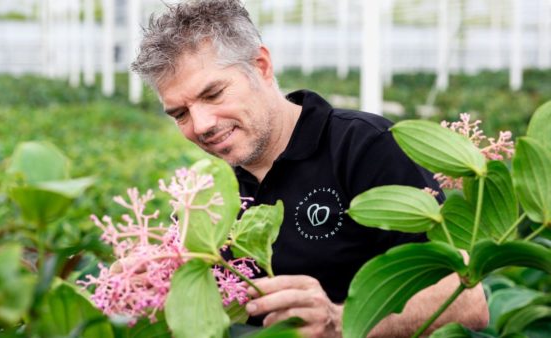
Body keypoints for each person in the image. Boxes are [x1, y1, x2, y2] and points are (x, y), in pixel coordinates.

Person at [131, 0, 489, 337]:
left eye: (213, 94)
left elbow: (467, 301)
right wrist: (152, 288)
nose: (202, 124)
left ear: (261, 66)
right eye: (180, 113)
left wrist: (339, 320)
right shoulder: (207, 192)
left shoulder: (366, 147)